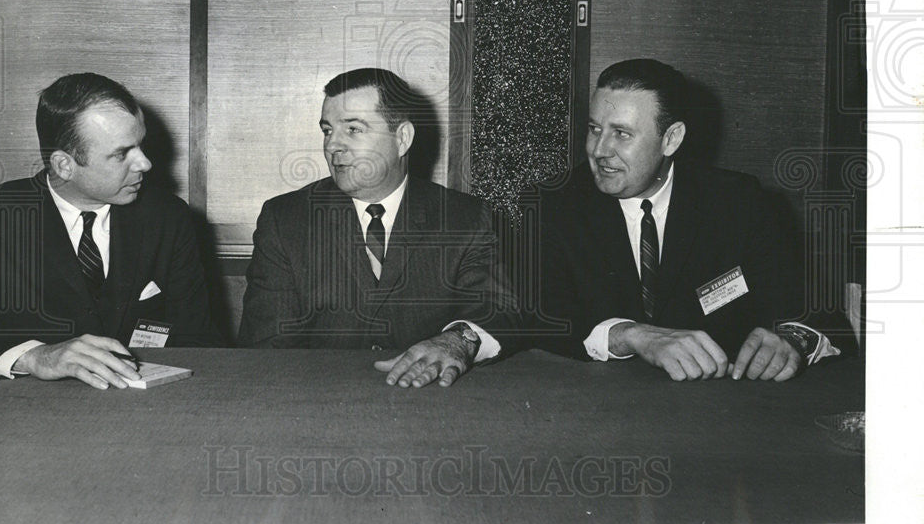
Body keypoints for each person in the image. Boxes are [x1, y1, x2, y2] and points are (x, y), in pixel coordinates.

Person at [527, 58, 848, 381]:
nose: (599, 150)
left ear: (671, 138)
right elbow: (538, 318)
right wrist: (631, 335)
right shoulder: (553, 204)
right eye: (595, 129)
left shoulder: (738, 202)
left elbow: (816, 312)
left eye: (621, 134)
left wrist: (792, 340)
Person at [238, 68, 521, 388]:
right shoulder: (286, 219)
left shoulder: (465, 217)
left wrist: (457, 341)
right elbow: (265, 348)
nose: (333, 145)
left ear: (402, 138)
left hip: (431, 406)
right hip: (319, 404)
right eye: (327, 130)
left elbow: (498, 311)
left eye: (353, 130)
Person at [0, 73, 222, 387]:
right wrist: (34, 357)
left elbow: (198, 337)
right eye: (121, 154)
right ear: (64, 165)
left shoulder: (168, 217)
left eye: (140, 145)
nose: (145, 164)